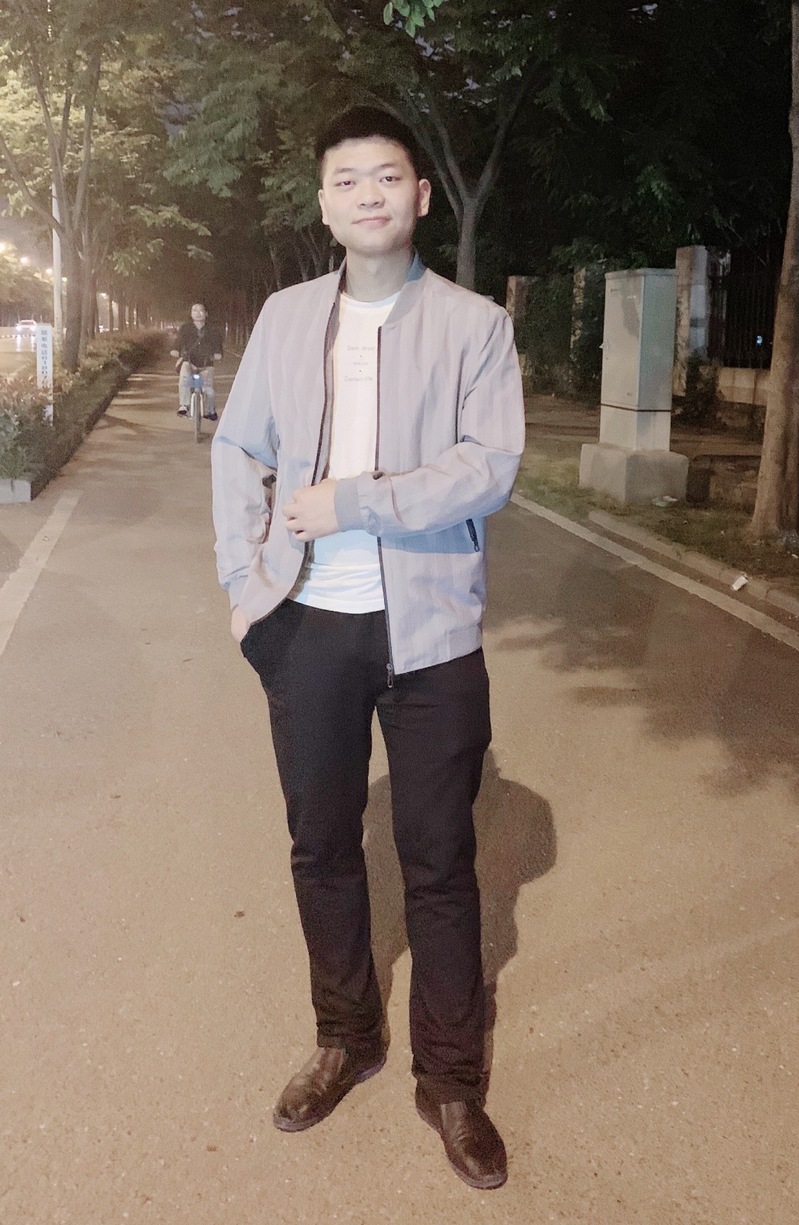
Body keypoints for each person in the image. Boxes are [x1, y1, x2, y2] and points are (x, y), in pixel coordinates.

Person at [210, 106, 525, 1190]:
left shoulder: (475, 325)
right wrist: (243, 589)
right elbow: (237, 447)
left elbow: (488, 466)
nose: (368, 195)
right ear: (324, 202)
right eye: (346, 180)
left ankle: (452, 1079)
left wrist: (354, 500)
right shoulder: (286, 318)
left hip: (430, 632)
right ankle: (346, 1035)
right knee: (321, 845)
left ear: (420, 196)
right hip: (305, 626)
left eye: (386, 177)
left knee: (440, 861)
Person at [170, 303, 223, 421]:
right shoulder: (185, 329)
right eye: (195, 310)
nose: (198, 313)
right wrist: (175, 351)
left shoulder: (213, 330)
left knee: (208, 388)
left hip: (206, 364)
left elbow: (218, 347)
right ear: (191, 314)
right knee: (184, 379)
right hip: (189, 362)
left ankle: (211, 411)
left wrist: (218, 354)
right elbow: (178, 343)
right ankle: (184, 405)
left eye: (201, 311)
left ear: (206, 314)